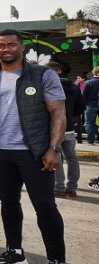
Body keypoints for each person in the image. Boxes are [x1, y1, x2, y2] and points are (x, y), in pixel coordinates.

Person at [0, 30, 70, 264]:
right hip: (1, 151)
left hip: (34, 152)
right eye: (1, 45)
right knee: (8, 203)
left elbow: (58, 112)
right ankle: (15, 252)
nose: (6, 49)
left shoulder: (43, 75)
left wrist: (54, 148)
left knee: (45, 207)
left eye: (11, 44)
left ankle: (56, 263)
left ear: (22, 47)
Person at [45, 62, 84, 198]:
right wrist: (69, 116)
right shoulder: (74, 87)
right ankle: (72, 187)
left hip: (54, 128)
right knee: (72, 157)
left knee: (56, 155)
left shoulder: (48, 86)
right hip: (69, 128)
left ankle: (59, 187)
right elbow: (81, 107)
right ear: (60, 71)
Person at [80, 66, 99, 145]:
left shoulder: (88, 83)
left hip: (90, 105)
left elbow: (83, 95)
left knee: (90, 123)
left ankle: (90, 141)